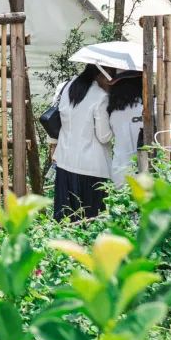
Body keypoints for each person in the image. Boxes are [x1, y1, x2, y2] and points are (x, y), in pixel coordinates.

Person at [53, 63, 114, 221]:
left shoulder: (65, 87)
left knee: (66, 219)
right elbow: (104, 136)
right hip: (91, 168)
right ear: (102, 74)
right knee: (90, 220)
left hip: (64, 163)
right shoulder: (101, 96)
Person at [107, 72, 143, 187]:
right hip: (145, 169)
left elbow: (106, 136)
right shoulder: (149, 108)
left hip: (119, 170)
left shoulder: (113, 113)